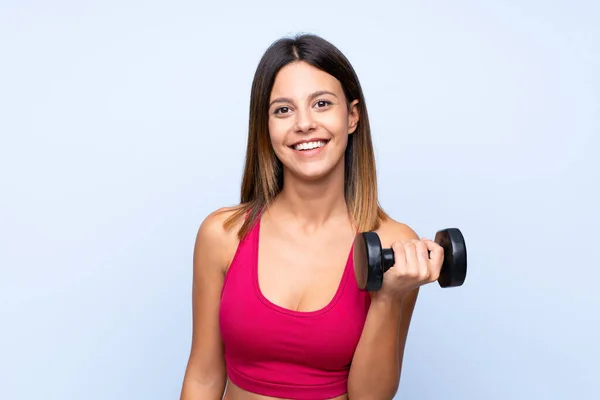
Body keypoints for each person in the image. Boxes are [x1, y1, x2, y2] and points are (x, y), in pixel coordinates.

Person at [180, 33, 444, 400]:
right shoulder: (223, 235)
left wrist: (388, 298)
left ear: (351, 116)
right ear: (266, 127)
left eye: (321, 104)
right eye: (283, 110)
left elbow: (370, 397)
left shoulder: (394, 245)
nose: (303, 124)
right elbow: (204, 377)